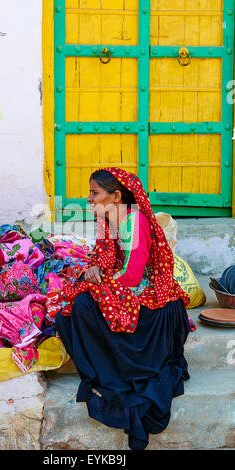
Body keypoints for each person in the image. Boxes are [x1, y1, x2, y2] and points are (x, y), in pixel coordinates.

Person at [55, 167, 194, 451]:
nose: (89, 199)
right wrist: (94, 270)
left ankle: (110, 374)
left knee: (81, 303)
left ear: (116, 196)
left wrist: (98, 284)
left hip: (152, 304)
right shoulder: (111, 219)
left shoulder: (136, 222)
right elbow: (105, 258)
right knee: (71, 307)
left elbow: (131, 277)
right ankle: (102, 370)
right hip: (130, 291)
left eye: (95, 193)